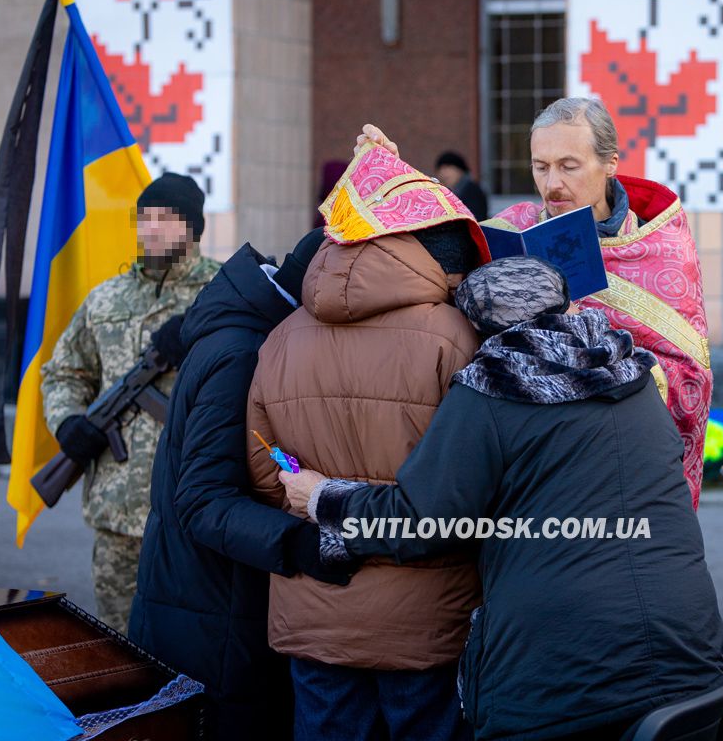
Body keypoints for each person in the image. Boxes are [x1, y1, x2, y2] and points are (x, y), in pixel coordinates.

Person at [280, 255, 723, 741]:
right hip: (693, 660)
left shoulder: (493, 390)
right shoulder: (632, 376)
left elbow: (422, 522)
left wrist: (323, 499)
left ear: (477, 325)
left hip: (567, 681)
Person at [246, 138, 488, 741]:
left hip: (316, 609)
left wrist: (322, 508)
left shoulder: (281, 337)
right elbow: (468, 490)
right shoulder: (456, 336)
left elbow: (262, 465)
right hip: (426, 617)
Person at [362, 98, 713, 506]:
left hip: (613, 456)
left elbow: (691, 378)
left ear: (611, 163)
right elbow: (430, 250)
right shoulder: (513, 228)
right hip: (524, 460)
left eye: (569, 166)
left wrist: (586, 340)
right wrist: (389, 174)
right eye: (540, 167)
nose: (552, 185)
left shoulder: (661, 246)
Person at [127, 229, 331, 739]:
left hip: (206, 605)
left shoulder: (248, 330)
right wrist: (296, 542)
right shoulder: (244, 351)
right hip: (210, 617)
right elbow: (201, 499)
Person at [41, 172, 220, 631]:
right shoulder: (105, 298)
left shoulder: (224, 294)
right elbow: (65, 372)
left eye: (167, 219)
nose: (153, 228)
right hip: (117, 510)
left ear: (193, 228)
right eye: (145, 218)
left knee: (192, 639)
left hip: (194, 505)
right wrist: (67, 423)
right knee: (118, 638)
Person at [435, 150, 490, 221]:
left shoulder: (472, 191)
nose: (443, 174)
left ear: (460, 170)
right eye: (440, 170)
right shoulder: (449, 191)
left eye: (447, 168)